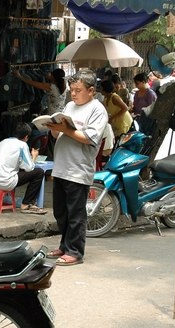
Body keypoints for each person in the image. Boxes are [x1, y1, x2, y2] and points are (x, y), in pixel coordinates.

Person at [46, 69, 108, 266]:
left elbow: (89, 138)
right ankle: (65, 246)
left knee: (76, 214)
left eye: (78, 90)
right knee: (61, 212)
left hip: (78, 169)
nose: (73, 93)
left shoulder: (97, 110)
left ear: (91, 91)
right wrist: (56, 129)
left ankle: (75, 251)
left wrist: (66, 129)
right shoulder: (70, 106)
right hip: (62, 167)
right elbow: (60, 135)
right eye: (72, 89)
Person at [0, 123, 47, 214]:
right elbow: (29, 168)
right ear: (26, 137)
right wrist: (34, 157)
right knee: (39, 172)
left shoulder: (2, 142)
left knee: (12, 171)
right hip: (4, 182)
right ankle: (26, 204)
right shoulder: (22, 145)